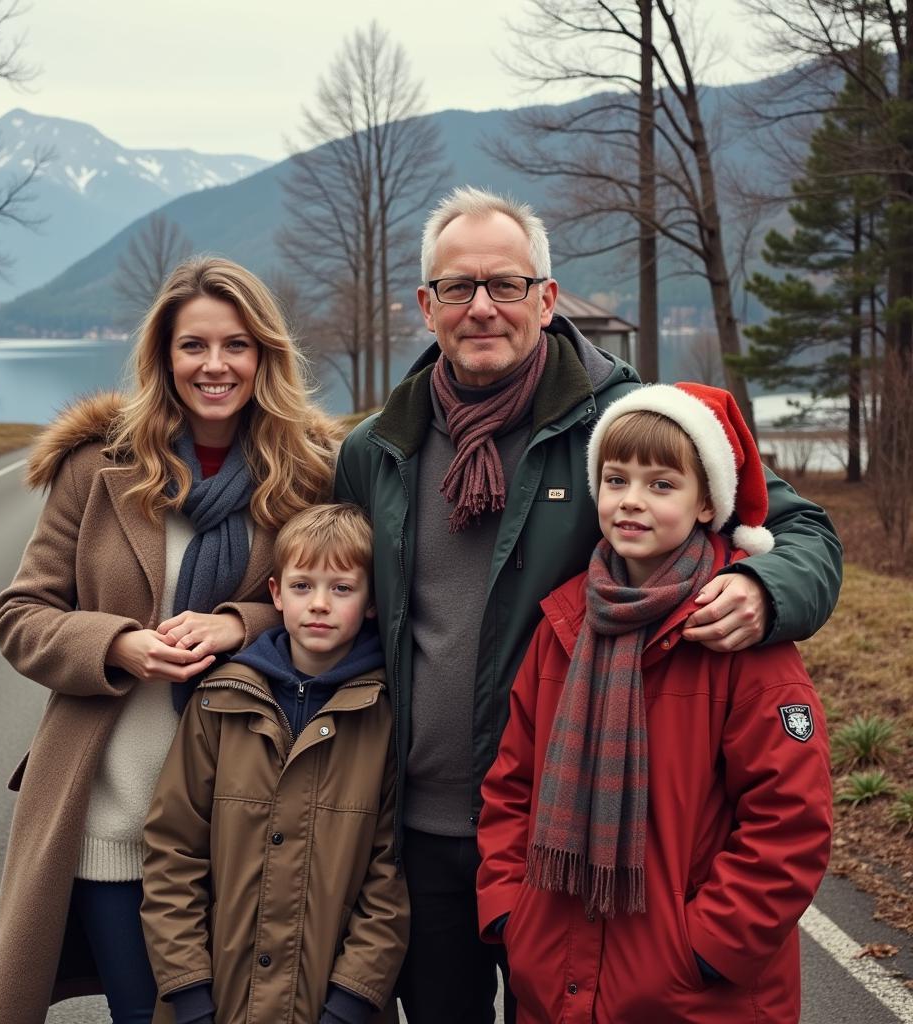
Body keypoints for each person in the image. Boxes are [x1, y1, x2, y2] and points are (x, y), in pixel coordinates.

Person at [333, 186, 843, 1023]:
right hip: (419, 835)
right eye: (458, 288)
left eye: (507, 284)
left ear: (547, 297)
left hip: (580, 845)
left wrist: (762, 587)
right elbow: (325, 587)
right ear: (427, 307)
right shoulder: (375, 450)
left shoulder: (625, 422)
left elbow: (800, 529)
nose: (483, 307)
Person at [0, 257, 340, 1024]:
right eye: (193, 346)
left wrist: (244, 622)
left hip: (251, 819)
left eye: (236, 345)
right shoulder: (97, 469)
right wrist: (117, 646)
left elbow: (344, 609)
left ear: (263, 355)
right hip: (114, 815)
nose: (215, 365)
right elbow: (22, 615)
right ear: (163, 358)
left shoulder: (310, 473)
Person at [476, 382, 833, 1022]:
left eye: (662, 485)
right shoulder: (560, 628)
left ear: (706, 504)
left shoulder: (740, 634)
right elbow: (512, 786)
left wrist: (706, 951)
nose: (632, 502)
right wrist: (511, 911)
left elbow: (789, 821)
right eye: (616, 480)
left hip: (695, 996)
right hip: (556, 978)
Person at [141, 503, 408, 1024]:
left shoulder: (386, 717)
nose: (320, 605)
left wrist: (353, 998)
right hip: (217, 998)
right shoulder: (219, 700)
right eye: (303, 586)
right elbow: (173, 850)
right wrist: (188, 989)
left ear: (372, 601)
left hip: (332, 1004)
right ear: (275, 594)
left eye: (343, 589)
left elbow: (390, 876)